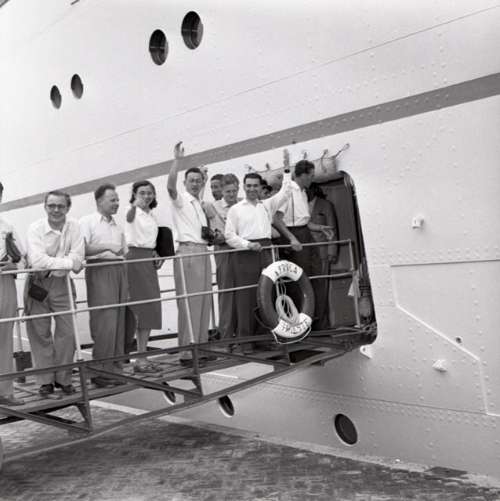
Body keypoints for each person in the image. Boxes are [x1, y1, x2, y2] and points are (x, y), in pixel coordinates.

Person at [225, 170, 292, 353]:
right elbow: (229, 236)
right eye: (248, 186)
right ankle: (246, 341)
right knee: (246, 297)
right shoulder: (235, 209)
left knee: (266, 295)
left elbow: (285, 192)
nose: (252, 189)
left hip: (265, 251)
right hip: (245, 254)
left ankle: (265, 337)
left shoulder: (266, 205)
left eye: (255, 186)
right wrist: (247, 245)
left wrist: (287, 172)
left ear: (260, 187)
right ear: (244, 187)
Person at [25, 190, 84, 397]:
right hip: (37, 283)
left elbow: (79, 258)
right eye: (51, 206)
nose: (56, 210)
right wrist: (68, 263)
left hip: (62, 283)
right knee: (39, 332)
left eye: (60, 206)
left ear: (68, 208)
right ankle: (45, 381)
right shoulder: (36, 228)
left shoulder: (75, 226)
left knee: (68, 331)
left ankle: (63, 378)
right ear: (45, 207)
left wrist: (64, 263)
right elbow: (37, 261)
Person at [167, 142, 213, 367]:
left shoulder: (197, 203)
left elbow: (199, 193)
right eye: (191, 180)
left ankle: (200, 347)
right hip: (188, 252)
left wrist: (205, 176)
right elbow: (170, 187)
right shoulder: (180, 200)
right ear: (185, 183)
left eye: (198, 180)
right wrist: (177, 160)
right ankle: (187, 352)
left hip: (202, 252)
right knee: (189, 303)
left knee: (204, 301)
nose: (195, 183)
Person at [273, 160, 333, 325]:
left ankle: (317, 321)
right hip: (293, 236)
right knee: (300, 281)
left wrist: (320, 228)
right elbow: (276, 219)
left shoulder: (303, 192)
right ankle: (300, 322)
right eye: (311, 176)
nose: (312, 179)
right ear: (303, 175)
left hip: (305, 234)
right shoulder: (288, 192)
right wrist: (292, 238)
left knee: (316, 277)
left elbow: (304, 221)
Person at [79, 184, 128, 387]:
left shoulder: (117, 225)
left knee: (118, 321)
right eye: (112, 200)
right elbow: (81, 249)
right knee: (104, 321)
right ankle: (99, 371)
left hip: (119, 269)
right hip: (99, 269)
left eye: (117, 200)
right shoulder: (87, 222)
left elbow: (123, 250)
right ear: (99, 201)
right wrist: (107, 246)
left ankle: (115, 368)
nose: (117, 203)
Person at [125, 180, 163, 373]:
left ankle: (142, 356)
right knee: (139, 309)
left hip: (148, 260)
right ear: (134, 194)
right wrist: (135, 204)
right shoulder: (131, 211)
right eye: (142, 193)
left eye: (149, 193)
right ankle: (138, 358)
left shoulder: (151, 215)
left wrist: (155, 252)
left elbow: (150, 240)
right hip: (135, 261)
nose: (146, 196)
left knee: (149, 308)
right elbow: (129, 218)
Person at [204, 174, 240, 348]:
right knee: (226, 292)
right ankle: (226, 335)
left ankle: (243, 333)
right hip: (224, 251)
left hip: (242, 250)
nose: (214, 190)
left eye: (216, 187)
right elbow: (212, 235)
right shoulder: (212, 207)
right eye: (212, 187)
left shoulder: (242, 204)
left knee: (244, 292)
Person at [0, 182, 25, 406]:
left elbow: (25, 257)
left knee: (4, 337)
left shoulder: (7, 226)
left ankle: (5, 392)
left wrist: (14, 266)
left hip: (4, 282)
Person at [307, 183, 339, 329]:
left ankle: (322, 325)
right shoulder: (300, 206)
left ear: (313, 190)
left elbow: (332, 228)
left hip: (322, 252)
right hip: (305, 253)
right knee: (307, 288)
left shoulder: (326, 205)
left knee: (321, 288)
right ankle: (310, 323)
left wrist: (332, 251)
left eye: (307, 189)